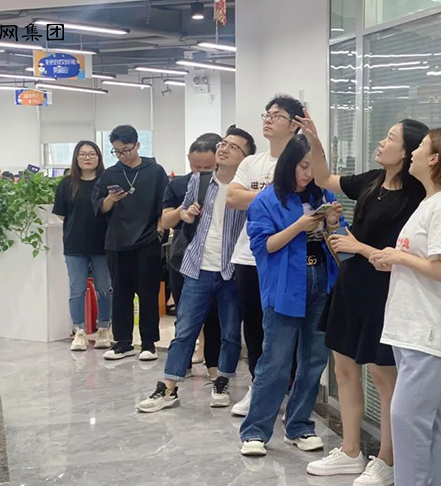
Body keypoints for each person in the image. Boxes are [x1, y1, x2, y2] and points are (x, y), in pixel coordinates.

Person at [296, 110, 429, 486]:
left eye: (391, 139)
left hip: (385, 289)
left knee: (384, 377)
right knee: (344, 367)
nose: (382, 142)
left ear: (407, 153)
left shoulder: (416, 196)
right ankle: (351, 449)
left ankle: (387, 459)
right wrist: (315, 142)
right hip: (352, 284)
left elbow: (405, 254)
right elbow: (325, 178)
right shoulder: (372, 180)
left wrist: (358, 247)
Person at [368, 129, 441, 486]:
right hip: (413, 327)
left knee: (407, 419)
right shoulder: (431, 203)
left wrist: (399, 257)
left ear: (434, 159)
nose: (412, 152)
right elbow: (426, 261)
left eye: (420, 147)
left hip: (428, 330)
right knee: (425, 419)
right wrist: (395, 260)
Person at [136, 127, 257, 412]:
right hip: (197, 267)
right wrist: (185, 214)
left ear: (246, 158)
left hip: (232, 270)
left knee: (230, 333)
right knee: (185, 330)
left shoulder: (248, 190)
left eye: (233, 147)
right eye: (223, 143)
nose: (224, 148)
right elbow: (175, 216)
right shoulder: (199, 181)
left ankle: (222, 381)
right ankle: (168, 387)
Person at [239, 134, 343, 457]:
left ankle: (298, 426)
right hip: (285, 286)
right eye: (302, 166)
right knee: (276, 360)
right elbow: (264, 246)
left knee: (314, 359)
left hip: (321, 282)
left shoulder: (322, 195)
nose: (308, 174)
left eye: (314, 167)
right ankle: (255, 431)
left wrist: (333, 223)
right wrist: (299, 226)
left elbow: (339, 240)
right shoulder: (265, 201)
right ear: (288, 164)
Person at [226, 94, 306, 417]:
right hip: (249, 256)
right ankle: (258, 388)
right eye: (267, 114)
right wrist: (275, 195)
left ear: (295, 124)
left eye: (277, 115)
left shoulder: (302, 161)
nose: (269, 119)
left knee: (288, 329)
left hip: (287, 257)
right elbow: (232, 197)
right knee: (255, 328)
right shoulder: (251, 162)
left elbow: (300, 200)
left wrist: (259, 197)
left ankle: (291, 392)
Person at [91, 125, 168, 361]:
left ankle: (148, 344)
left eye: (126, 150)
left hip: (147, 240)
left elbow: (165, 204)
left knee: (148, 293)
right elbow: (99, 207)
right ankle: (123, 342)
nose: (122, 155)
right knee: (120, 293)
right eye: (117, 151)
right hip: (117, 241)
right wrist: (110, 199)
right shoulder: (110, 174)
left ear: (137, 145)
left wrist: (159, 230)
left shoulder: (155, 171)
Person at [162, 137, 223, 379]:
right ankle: (182, 365)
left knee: (215, 316)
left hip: (215, 257)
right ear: (189, 160)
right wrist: (183, 210)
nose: (201, 172)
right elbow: (165, 220)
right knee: (185, 314)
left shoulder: (228, 185)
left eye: (208, 167)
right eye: (196, 167)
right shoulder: (178, 185)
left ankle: (214, 365)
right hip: (183, 255)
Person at [52, 141, 113, 351]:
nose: (87, 158)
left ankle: (104, 328)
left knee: (104, 288)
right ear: (76, 158)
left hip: (103, 244)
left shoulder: (106, 182)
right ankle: (79, 331)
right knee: (77, 289)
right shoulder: (66, 184)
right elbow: (62, 214)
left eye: (92, 154)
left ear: (99, 157)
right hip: (75, 244)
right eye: (83, 154)